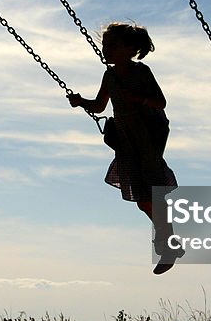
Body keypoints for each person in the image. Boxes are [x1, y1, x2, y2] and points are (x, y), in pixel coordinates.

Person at [68, 22, 181, 274]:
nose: (105, 49)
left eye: (111, 45)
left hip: (148, 135)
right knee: (142, 198)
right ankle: (169, 240)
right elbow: (99, 106)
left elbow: (160, 102)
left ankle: (168, 243)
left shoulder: (142, 72)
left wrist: (137, 99)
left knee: (151, 189)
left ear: (130, 49)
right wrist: (80, 102)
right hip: (126, 137)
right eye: (104, 45)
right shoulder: (109, 76)